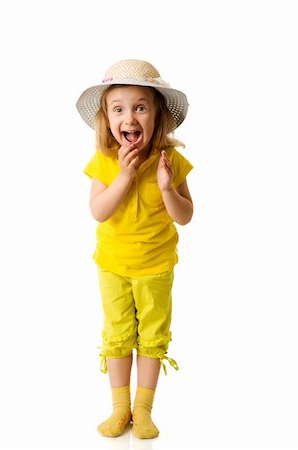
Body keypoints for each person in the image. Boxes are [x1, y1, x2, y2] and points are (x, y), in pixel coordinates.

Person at [76, 59, 193, 439]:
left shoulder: (170, 161)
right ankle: (119, 408)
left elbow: (185, 215)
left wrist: (166, 187)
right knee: (118, 334)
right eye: (119, 108)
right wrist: (125, 176)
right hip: (113, 265)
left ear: (156, 116)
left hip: (156, 266)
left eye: (140, 107)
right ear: (107, 120)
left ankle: (143, 410)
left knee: (153, 336)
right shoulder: (105, 162)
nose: (130, 116)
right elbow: (98, 211)